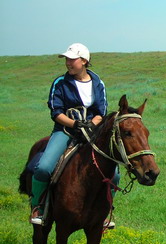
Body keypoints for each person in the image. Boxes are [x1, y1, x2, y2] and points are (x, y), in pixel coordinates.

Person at [30, 43, 119, 228]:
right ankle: (38, 206)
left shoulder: (98, 83)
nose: (68, 63)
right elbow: (56, 111)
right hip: (65, 131)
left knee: (115, 174)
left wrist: (90, 125)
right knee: (44, 168)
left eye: (72, 59)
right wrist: (75, 124)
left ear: (84, 61)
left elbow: (101, 111)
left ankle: (104, 211)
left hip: (91, 134)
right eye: (67, 60)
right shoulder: (60, 83)